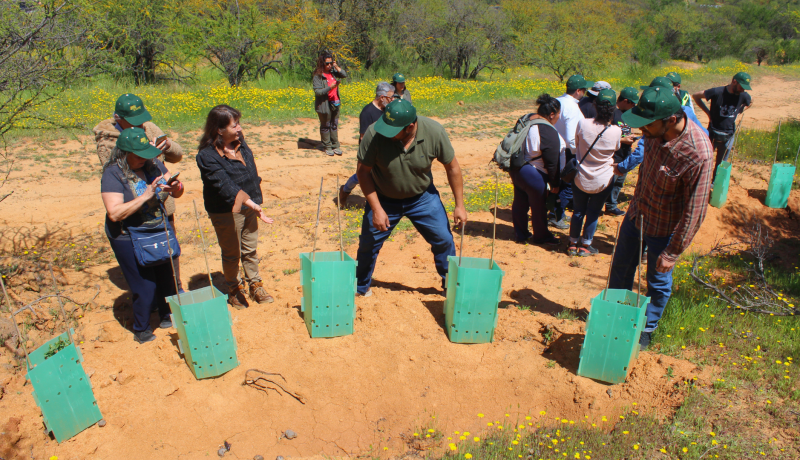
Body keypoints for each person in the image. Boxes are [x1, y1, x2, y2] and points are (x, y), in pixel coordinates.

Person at [609, 86, 713, 349]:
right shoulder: (653, 133)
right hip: (636, 216)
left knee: (657, 282)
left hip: (664, 229)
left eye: (647, 126)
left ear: (671, 120)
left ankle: (647, 327)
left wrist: (673, 251)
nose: (641, 131)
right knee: (621, 269)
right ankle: (614, 316)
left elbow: (696, 209)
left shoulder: (698, 153)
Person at [355, 99, 467, 296]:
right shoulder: (374, 133)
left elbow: (453, 167)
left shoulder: (434, 131)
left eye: (393, 130)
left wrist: (460, 205)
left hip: (422, 198)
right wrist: (377, 209)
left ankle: (451, 288)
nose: (385, 133)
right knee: (368, 243)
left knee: (444, 240)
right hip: (384, 198)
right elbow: (363, 173)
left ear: (410, 127)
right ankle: (359, 287)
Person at [100, 128, 185, 343]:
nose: (143, 159)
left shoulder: (153, 163)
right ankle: (142, 328)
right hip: (127, 234)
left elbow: (173, 187)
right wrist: (146, 195)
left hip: (156, 227)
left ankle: (167, 316)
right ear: (124, 153)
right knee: (144, 284)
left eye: (146, 154)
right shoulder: (113, 173)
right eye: (138, 156)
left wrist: (176, 187)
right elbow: (115, 212)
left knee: (166, 277)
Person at [94, 93, 185, 290]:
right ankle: (151, 296)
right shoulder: (108, 140)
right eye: (133, 121)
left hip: (162, 203)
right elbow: (115, 170)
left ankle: (174, 288)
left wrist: (167, 145)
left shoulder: (149, 128)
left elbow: (177, 155)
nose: (139, 125)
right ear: (119, 119)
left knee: (168, 250)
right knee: (146, 253)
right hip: (137, 207)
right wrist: (144, 153)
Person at [196, 105, 275, 309]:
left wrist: (254, 202)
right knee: (232, 253)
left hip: (250, 206)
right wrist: (253, 204)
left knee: (250, 249)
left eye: (239, 123)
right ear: (219, 129)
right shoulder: (206, 156)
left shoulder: (239, 142)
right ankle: (234, 289)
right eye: (234, 125)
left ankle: (255, 284)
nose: (239, 128)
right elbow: (225, 186)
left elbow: (249, 171)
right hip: (226, 211)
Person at [567, 89, 621, 257]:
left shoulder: (583, 123)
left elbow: (576, 144)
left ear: (595, 106)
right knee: (593, 213)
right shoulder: (616, 131)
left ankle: (572, 243)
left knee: (578, 211)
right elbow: (617, 148)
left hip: (580, 176)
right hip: (603, 179)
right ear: (613, 109)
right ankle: (585, 245)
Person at [509, 94, 564, 246]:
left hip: (517, 168)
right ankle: (541, 236)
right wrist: (555, 183)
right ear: (551, 114)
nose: (559, 117)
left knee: (520, 202)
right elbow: (552, 162)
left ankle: (521, 234)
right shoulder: (548, 130)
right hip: (534, 174)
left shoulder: (527, 119)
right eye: (558, 114)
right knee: (539, 207)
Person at [339, 82, 395, 206]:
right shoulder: (367, 112)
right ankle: (344, 192)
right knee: (361, 176)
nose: (392, 100)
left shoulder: (387, 110)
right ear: (382, 97)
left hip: (384, 149)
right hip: (370, 150)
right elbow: (364, 136)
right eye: (390, 97)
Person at [692, 72, 752, 179]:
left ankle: (715, 182)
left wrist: (739, 111)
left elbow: (751, 102)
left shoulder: (743, 95)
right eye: (741, 87)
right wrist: (707, 112)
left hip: (729, 134)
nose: (743, 90)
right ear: (734, 81)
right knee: (705, 158)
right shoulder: (717, 92)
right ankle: (702, 180)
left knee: (721, 162)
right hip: (713, 132)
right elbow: (696, 96)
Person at [551, 75, 592, 230]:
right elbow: (571, 138)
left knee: (555, 183)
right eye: (584, 90)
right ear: (578, 91)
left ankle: (553, 213)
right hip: (567, 151)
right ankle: (558, 216)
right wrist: (578, 153)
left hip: (553, 148)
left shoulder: (556, 101)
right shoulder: (573, 107)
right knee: (566, 186)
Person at [605, 87, 639, 216]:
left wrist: (630, 137)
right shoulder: (613, 113)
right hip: (614, 154)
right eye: (632, 103)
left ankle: (611, 206)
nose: (634, 106)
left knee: (619, 182)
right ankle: (599, 204)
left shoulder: (628, 114)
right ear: (625, 101)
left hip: (625, 153)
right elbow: (605, 134)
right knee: (609, 181)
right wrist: (623, 139)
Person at [312, 52, 348, 156]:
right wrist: (330, 87)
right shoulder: (318, 76)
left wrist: (336, 66)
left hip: (335, 102)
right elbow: (318, 92)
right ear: (322, 63)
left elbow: (344, 74)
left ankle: (335, 145)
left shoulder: (332, 72)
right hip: (324, 104)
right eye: (327, 63)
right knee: (326, 125)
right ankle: (327, 146)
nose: (329, 65)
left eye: (331, 63)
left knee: (334, 125)